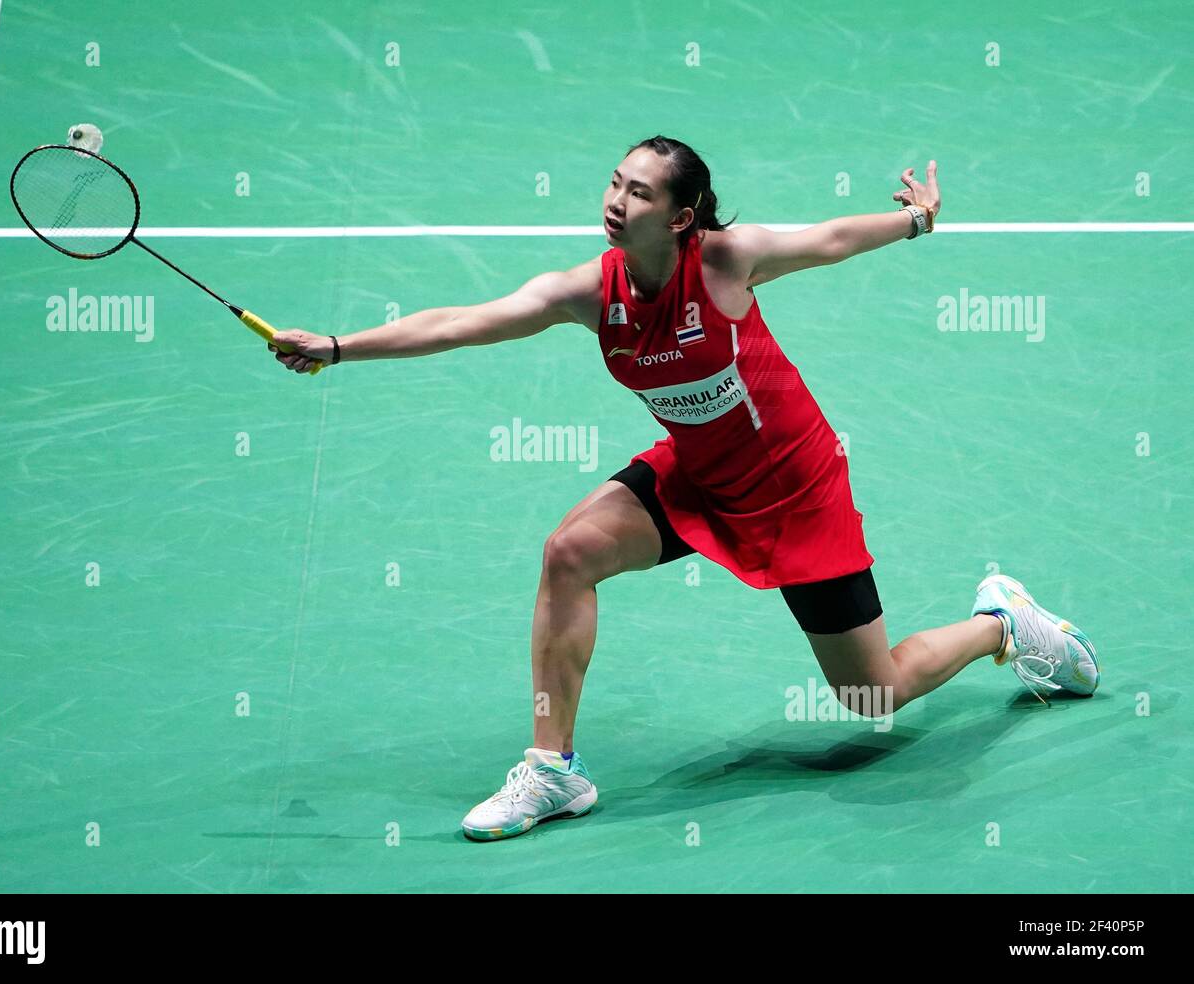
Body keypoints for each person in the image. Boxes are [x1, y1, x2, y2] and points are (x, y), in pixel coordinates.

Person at [268, 135, 1100, 842]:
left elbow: (835, 236)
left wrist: (916, 219)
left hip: (796, 493)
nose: (616, 201)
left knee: (870, 691)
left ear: (680, 217)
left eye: (639, 193)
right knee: (570, 552)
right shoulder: (593, 292)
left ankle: (1004, 625)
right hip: (698, 478)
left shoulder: (729, 262)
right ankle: (551, 768)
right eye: (614, 183)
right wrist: (341, 347)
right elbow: (464, 322)